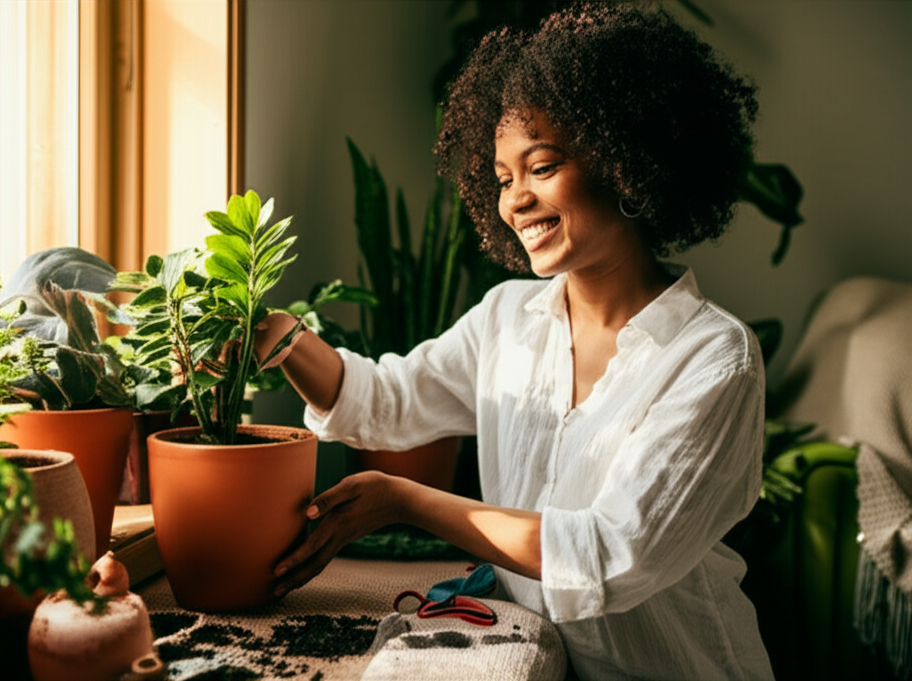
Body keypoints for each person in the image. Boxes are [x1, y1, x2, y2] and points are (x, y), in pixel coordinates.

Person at [257, 3, 773, 679]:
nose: (515, 200)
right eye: (503, 178)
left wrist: (409, 501)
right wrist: (275, 334)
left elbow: (606, 553)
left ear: (627, 161)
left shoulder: (714, 360)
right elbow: (384, 398)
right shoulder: (506, 318)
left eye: (541, 165)